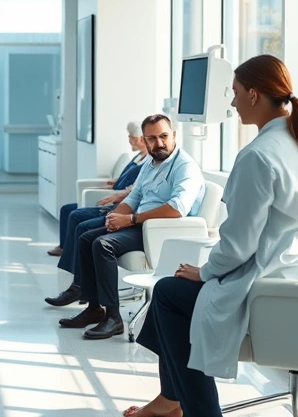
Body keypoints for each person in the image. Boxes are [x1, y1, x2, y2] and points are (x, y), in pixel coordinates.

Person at [125, 55, 298, 417]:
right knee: (171, 294)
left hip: (269, 283)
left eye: (235, 93)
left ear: (254, 95)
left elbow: (238, 245)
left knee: (168, 293)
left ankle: (193, 409)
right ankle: (170, 402)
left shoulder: (259, 155)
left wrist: (205, 272)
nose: (232, 103)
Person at [59, 114, 205, 340]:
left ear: (174, 135)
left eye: (164, 136)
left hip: (162, 231)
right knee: (87, 237)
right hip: (141, 224)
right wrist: (116, 216)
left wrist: (131, 220)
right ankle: (94, 308)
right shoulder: (150, 163)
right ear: (145, 141)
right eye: (152, 138)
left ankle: (113, 318)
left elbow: (177, 209)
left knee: (102, 244)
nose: (159, 143)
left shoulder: (185, 167)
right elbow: (135, 196)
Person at [44, 124, 149, 307]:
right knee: (79, 224)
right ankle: (83, 293)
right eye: (151, 137)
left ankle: (86, 294)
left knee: (85, 227)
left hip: (144, 224)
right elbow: (136, 192)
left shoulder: (173, 167)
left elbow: (170, 206)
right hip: (126, 211)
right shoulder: (148, 163)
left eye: (160, 137)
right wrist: (118, 206)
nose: (155, 143)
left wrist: (128, 216)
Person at [48, 121, 148, 258]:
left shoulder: (148, 163)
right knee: (66, 210)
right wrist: (114, 183)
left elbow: (134, 189)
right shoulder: (137, 158)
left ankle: (69, 253)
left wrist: (119, 193)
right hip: (114, 196)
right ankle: (65, 248)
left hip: (116, 203)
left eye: (132, 137)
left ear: (142, 139)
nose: (129, 140)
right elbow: (127, 181)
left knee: (75, 216)